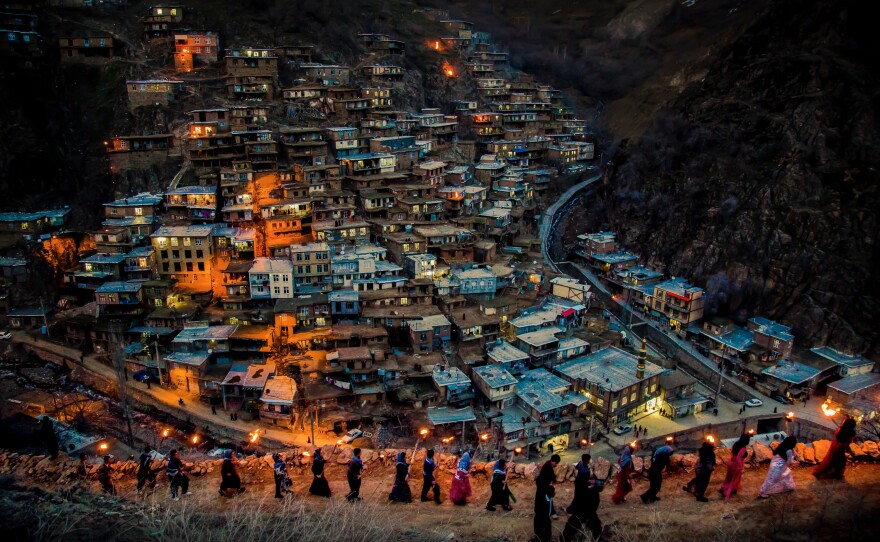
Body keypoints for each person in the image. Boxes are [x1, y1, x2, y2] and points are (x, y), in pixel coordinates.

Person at [720, 434, 751, 501]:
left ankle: (724, 488)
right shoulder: (743, 448)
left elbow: (732, 453)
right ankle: (728, 491)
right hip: (736, 465)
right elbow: (738, 458)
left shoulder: (736, 444)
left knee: (729, 477)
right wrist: (740, 467)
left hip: (731, 462)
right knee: (734, 479)